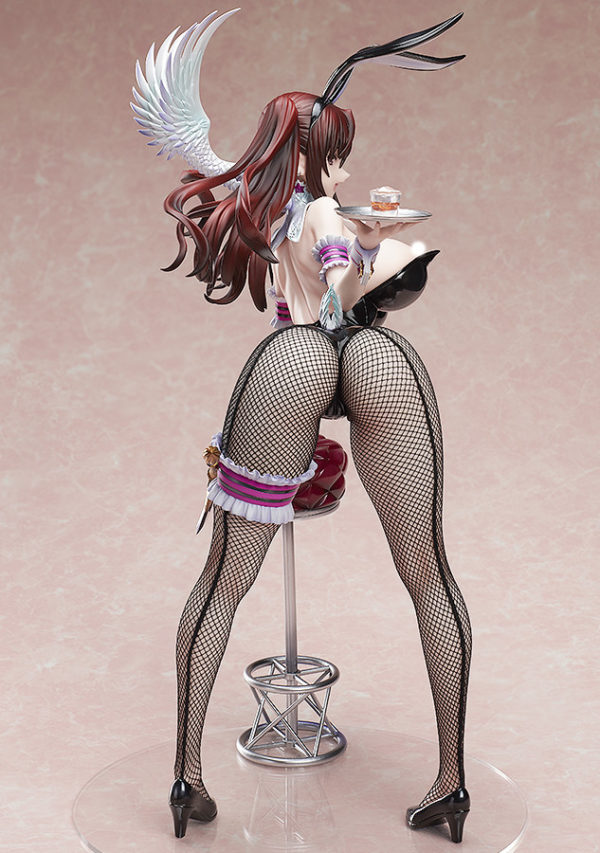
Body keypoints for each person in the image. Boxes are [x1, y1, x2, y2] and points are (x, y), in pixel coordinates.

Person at [132, 9, 472, 843]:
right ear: (319, 155)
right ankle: (452, 784)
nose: (345, 167)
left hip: (292, 360)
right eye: (338, 153)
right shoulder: (324, 215)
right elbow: (342, 283)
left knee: (223, 576)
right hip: (368, 351)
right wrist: (378, 251)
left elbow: (302, 285)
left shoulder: (267, 206)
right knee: (427, 570)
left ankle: (186, 777)